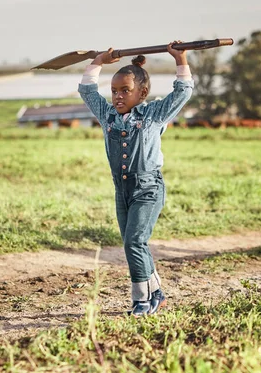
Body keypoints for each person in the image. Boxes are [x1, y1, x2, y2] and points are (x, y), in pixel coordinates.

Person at [78, 42, 194, 316]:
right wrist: (98, 61)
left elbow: (183, 91)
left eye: (125, 91)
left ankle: (141, 301)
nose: (118, 97)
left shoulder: (154, 115)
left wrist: (181, 59)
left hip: (148, 188)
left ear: (142, 93)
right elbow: (86, 90)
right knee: (133, 243)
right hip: (123, 190)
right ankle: (157, 293)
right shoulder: (107, 116)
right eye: (114, 91)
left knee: (134, 242)